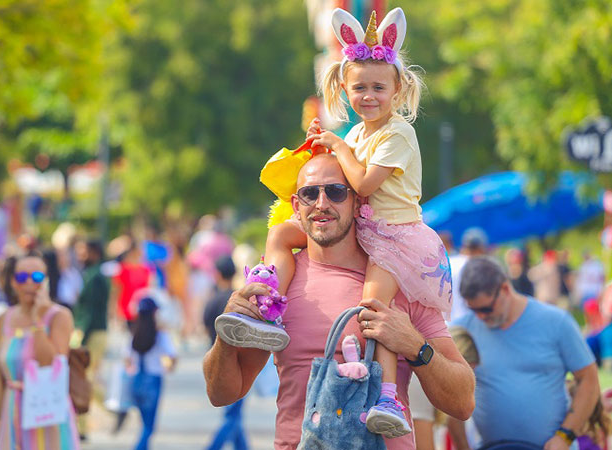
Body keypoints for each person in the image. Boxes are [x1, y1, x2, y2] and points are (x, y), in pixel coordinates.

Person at [218, 7, 452, 438]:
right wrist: (319, 141)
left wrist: (338, 148)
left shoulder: (398, 133)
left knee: (372, 312)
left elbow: (360, 179)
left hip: (394, 239)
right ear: (344, 89)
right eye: (359, 87)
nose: (368, 96)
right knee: (280, 232)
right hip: (370, 226)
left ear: (398, 90)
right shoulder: (360, 133)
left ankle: (386, 397)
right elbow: (335, 167)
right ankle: (269, 296)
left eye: (379, 88)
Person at [204, 154, 474, 450]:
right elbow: (223, 394)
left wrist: (414, 345)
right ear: (296, 205)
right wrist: (226, 339)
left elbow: (462, 402)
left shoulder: (396, 279)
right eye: (310, 193)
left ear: (358, 202)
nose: (321, 203)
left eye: (335, 191)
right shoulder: (279, 283)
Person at [452, 256, 599, 449]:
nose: (481, 317)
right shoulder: (463, 331)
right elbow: (451, 399)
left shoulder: (555, 321)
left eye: (486, 308)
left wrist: (565, 435)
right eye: (473, 309)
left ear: (505, 288)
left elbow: (588, 379)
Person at [0, 252, 80, 449]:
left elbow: (51, 364)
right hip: (13, 408)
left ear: (47, 281)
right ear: (14, 282)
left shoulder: (59, 316)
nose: (29, 284)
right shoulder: (4, 318)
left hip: (47, 410)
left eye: (37, 277)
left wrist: (38, 321)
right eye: (22, 278)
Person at [203, 256, 248, 450]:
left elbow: (205, 325)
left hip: (217, 359)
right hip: (242, 362)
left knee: (233, 412)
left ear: (218, 274)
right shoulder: (240, 300)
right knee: (233, 413)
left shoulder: (213, 301)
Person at [127, 297, 177, 450]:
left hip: (136, 381)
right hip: (153, 380)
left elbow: (126, 358)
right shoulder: (160, 334)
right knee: (149, 426)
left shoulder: (134, 333)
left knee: (144, 423)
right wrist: (169, 367)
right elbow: (172, 355)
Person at [73, 240, 110, 438]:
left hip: (93, 332)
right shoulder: (93, 274)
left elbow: (90, 311)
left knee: (84, 380)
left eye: (83, 251)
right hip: (95, 331)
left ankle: (112, 406)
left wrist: (80, 338)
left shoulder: (95, 276)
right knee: (85, 379)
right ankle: (82, 425)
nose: (80, 255)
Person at [448, 228, 488, 323]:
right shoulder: (475, 267)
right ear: (480, 249)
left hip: (444, 327)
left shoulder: (448, 262)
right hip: (467, 326)